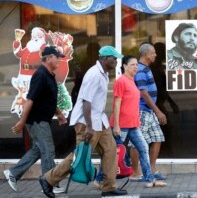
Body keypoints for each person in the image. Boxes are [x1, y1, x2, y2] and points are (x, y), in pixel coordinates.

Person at [38, 46, 128, 198]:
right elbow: (86, 102)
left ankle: (109, 187)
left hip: (100, 121)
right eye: (114, 58)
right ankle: (48, 179)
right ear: (105, 59)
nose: (116, 61)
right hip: (88, 123)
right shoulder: (94, 74)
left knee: (111, 150)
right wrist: (90, 127)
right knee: (80, 155)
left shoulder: (103, 73)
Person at [94, 55, 167, 188]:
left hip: (133, 124)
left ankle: (150, 180)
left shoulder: (132, 80)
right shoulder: (121, 81)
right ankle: (99, 179)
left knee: (143, 148)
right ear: (125, 66)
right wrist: (116, 125)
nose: (135, 67)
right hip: (121, 125)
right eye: (132, 64)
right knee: (112, 153)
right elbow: (116, 103)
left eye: (136, 65)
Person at [3, 46, 67, 192]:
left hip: (41, 119)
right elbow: (30, 99)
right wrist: (21, 121)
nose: (59, 60)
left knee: (38, 150)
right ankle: (49, 184)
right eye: (57, 57)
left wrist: (59, 114)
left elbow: (47, 99)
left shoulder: (49, 75)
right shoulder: (40, 75)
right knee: (48, 150)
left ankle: (13, 173)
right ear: (49, 57)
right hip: (37, 121)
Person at [130, 43, 167, 180]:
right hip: (142, 111)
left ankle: (152, 169)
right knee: (136, 142)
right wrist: (158, 111)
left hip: (148, 111)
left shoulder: (146, 68)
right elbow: (144, 93)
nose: (155, 55)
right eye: (153, 53)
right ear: (146, 54)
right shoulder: (140, 70)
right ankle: (135, 173)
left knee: (157, 138)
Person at [152, 42, 179, 157]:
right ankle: (164, 153)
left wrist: (172, 103)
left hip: (159, 103)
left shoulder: (159, 67)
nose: (166, 54)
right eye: (164, 51)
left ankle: (165, 152)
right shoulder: (154, 68)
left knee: (165, 128)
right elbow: (157, 89)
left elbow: (163, 89)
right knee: (164, 129)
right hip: (155, 104)